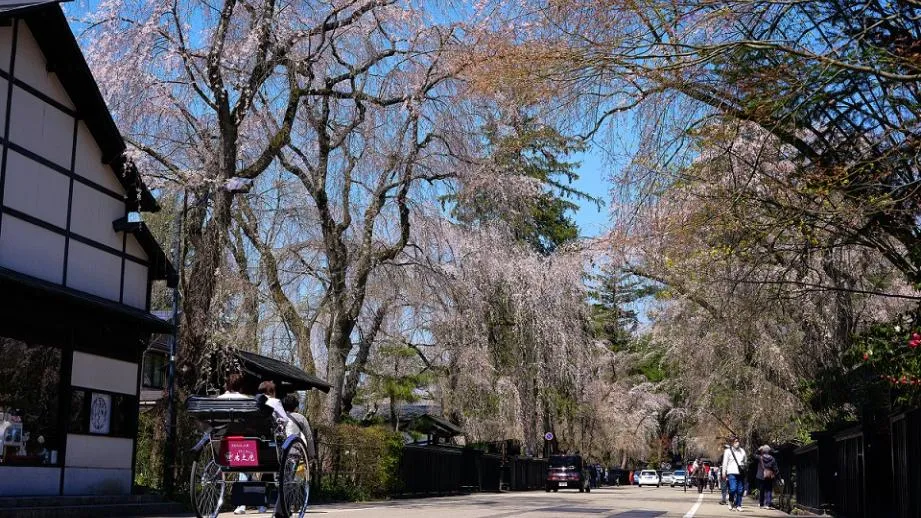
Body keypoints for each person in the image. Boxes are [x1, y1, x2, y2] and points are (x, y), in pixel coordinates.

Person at [281, 394, 316, 459]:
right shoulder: (300, 417)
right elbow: (308, 436)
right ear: (296, 406)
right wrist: (311, 453)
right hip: (295, 450)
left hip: (280, 451)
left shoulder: (280, 417)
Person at [721, 437, 747, 511]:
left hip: (740, 473)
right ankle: (730, 501)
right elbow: (725, 463)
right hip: (731, 472)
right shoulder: (728, 451)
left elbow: (745, 462)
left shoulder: (742, 451)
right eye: (735, 441)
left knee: (740, 490)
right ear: (732, 443)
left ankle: (738, 505)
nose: (737, 443)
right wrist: (723, 473)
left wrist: (744, 467)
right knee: (733, 489)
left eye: (738, 441)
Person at [756, 445, 779, 509]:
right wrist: (778, 477)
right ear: (769, 451)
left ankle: (761, 504)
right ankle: (768, 504)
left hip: (761, 476)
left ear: (763, 451)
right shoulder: (772, 459)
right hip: (769, 476)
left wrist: (759, 449)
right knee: (769, 489)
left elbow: (753, 455)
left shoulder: (760, 457)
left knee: (762, 490)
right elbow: (776, 469)